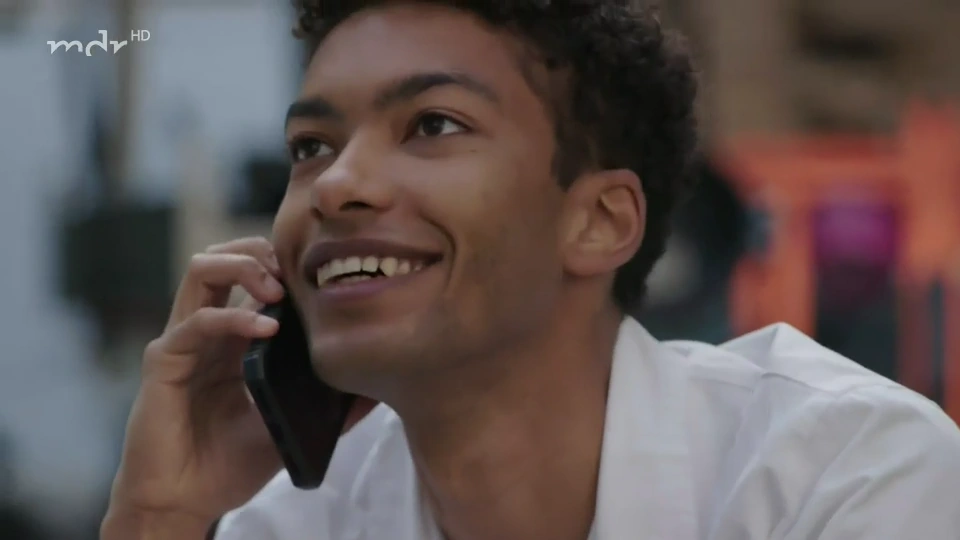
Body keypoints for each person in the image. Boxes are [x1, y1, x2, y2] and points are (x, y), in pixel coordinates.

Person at [100, 1, 960, 539]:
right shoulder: (296, 518)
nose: (335, 185)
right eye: (310, 146)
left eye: (433, 125)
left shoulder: (847, 477)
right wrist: (159, 516)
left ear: (599, 221)